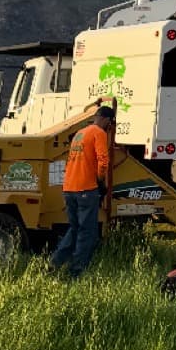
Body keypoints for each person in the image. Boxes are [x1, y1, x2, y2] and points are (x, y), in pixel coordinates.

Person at [50, 96, 115, 280]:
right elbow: (103, 160)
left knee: (75, 227)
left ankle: (55, 263)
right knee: (87, 232)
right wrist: (100, 181)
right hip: (85, 189)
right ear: (106, 120)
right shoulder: (98, 133)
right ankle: (76, 272)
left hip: (69, 188)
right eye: (109, 123)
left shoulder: (80, 133)